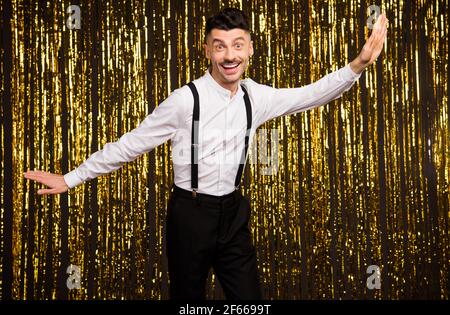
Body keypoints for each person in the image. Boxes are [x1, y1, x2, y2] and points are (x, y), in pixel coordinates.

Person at [24, 8, 388, 299]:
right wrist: (71, 178)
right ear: (208, 50)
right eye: (220, 46)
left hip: (233, 215)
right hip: (190, 213)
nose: (229, 56)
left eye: (237, 45)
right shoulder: (186, 100)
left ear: (250, 49)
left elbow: (310, 94)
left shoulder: (256, 96)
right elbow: (130, 144)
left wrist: (358, 65)